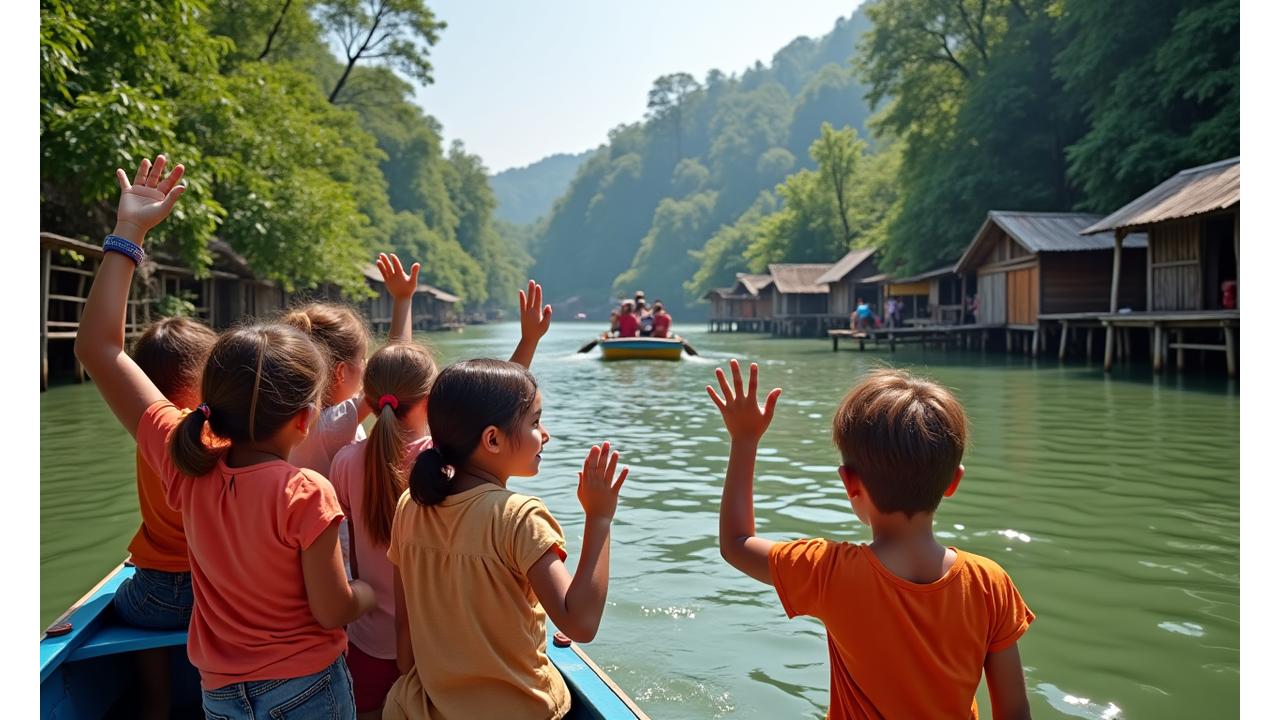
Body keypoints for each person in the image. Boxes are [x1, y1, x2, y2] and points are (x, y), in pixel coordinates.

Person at [75, 154, 375, 718]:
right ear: (304, 419)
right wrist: (368, 594)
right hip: (305, 686)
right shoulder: (307, 493)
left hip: (221, 692)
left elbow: (99, 349)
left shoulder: (184, 460)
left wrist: (128, 232)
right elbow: (334, 608)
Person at [705, 361, 1034, 720]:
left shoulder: (829, 571)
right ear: (953, 482)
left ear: (850, 483)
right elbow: (1014, 712)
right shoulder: (990, 583)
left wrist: (744, 439)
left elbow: (736, 543)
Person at [328, 282, 551, 719]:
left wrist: (401, 303)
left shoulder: (345, 459)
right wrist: (528, 342)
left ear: (371, 402)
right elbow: (493, 411)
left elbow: (345, 544)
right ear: (433, 404)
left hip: (365, 639)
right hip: (430, 647)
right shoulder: (433, 460)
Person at [383, 359, 627, 720]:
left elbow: (406, 649)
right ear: (492, 439)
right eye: (534, 422)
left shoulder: (411, 505)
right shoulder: (518, 517)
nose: (545, 434)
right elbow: (581, 623)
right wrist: (600, 517)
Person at [284, 253, 416, 574]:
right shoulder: (330, 424)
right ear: (342, 372)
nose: (369, 365)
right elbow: (398, 371)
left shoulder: (286, 416)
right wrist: (402, 301)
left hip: (305, 553)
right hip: (339, 563)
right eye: (364, 359)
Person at [117, 316, 218, 720]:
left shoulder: (150, 433)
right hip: (212, 595)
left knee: (123, 606)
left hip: (153, 595)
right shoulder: (218, 437)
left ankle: (155, 703)